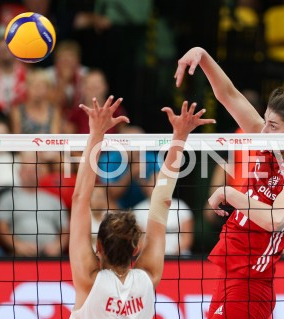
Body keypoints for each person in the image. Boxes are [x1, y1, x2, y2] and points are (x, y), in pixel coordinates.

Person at [175, 47, 284, 318]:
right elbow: (228, 95)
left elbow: (276, 218)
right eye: (264, 122)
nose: (262, 131)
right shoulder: (266, 140)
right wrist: (202, 56)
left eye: (272, 126)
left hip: (251, 280)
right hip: (231, 272)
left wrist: (229, 192)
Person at [69, 96, 214, 318]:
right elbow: (163, 200)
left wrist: (97, 134)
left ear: (98, 246)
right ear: (136, 248)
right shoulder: (148, 277)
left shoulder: (89, 281)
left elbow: (80, 199)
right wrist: (180, 138)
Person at [0, 151, 69, 257]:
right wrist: (18, 245)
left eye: (34, 170)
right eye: (26, 170)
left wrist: (57, 245)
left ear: (40, 173)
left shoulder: (54, 200)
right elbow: (2, 228)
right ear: (19, 172)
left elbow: (65, 229)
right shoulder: (7, 198)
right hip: (18, 255)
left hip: (51, 256)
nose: (30, 174)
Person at [9, 69, 61, 134]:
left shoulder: (53, 111)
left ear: (47, 89)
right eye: (33, 85)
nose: (37, 89)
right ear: (27, 87)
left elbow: (55, 139)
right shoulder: (18, 111)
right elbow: (16, 140)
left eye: (41, 86)